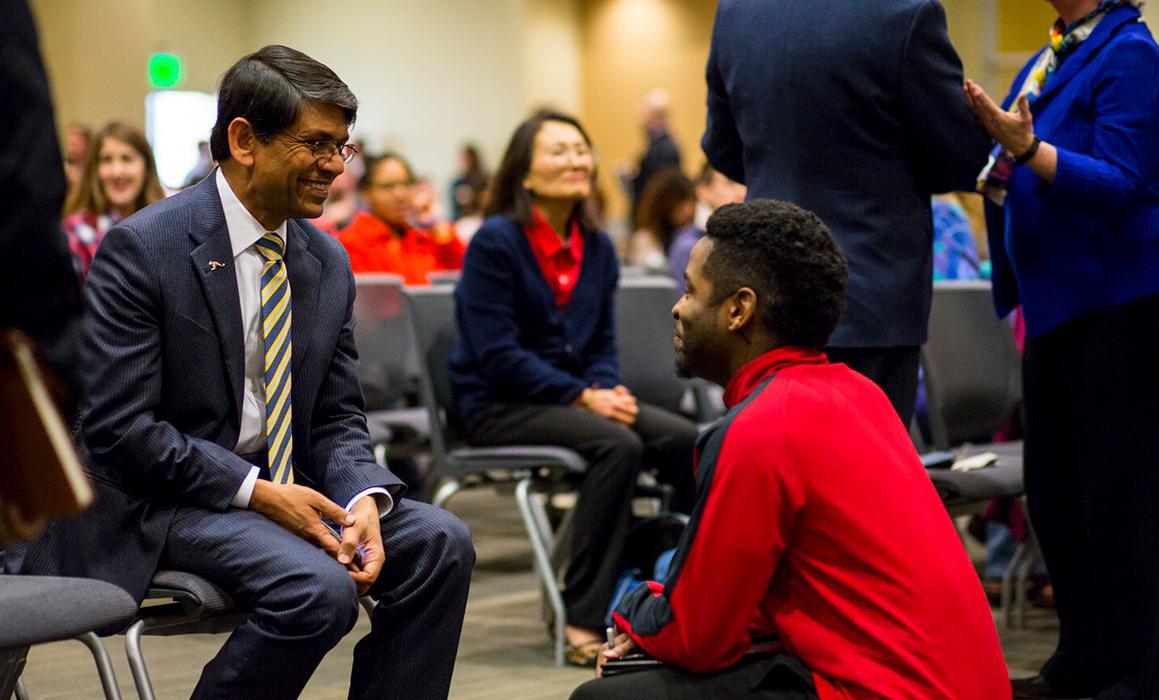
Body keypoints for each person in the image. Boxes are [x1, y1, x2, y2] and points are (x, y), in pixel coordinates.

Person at [18, 45, 474, 700]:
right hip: (168, 500)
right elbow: (122, 431)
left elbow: (337, 416)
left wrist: (362, 498)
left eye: (342, 147)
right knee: (316, 589)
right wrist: (257, 492)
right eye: (316, 144)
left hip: (292, 487)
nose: (333, 168)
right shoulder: (145, 249)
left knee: (440, 540)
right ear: (244, 140)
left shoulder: (325, 260)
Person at [572, 200, 1009, 700]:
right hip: (958, 684)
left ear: (739, 310)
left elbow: (699, 637)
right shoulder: (860, 394)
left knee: (606, 697)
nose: (678, 306)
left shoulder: (761, 427)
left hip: (884, 689)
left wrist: (633, 606)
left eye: (691, 290)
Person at [451, 110, 697, 667]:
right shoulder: (497, 242)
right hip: (496, 403)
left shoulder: (598, 246)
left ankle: (682, 592)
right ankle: (583, 618)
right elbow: (497, 355)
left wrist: (606, 389)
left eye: (580, 149)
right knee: (619, 446)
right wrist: (585, 398)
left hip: (574, 399)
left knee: (689, 440)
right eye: (558, 151)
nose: (575, 160)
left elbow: (602, 346)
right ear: (525, 172)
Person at [962, 1, 1159, 697]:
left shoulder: (1129, 51)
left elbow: (1124, 179)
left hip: (1114, 304)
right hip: (1053, 310)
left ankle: (1135, 669)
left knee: (1117, 497)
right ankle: (1082, 655)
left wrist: (1026, 151)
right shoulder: (1055, 52)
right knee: (1054, 494)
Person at [702, 0, 992, 423]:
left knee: (781, 469)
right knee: (866, 477)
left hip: (766, 292)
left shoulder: (735, 13)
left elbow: (722, 149)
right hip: (871, 292)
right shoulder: (905, 12)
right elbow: (959, 158)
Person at [339, 153, 464, 284]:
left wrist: (441, 228)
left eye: (406, 184)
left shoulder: (423, 238)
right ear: (366, 193)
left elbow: (460, 282)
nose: (400, 195)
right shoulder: (352, 243)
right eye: (388, 187)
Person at [62, 121, 165, 279]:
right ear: (95, 169)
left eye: (127, 159)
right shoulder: (74, 234)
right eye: (107, 160)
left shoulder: (166, 228)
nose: (117, 172)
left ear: (146, 167)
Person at [625, 89, 681, 222]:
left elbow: (659, 188)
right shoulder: (657, 145)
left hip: (655, 220)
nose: (640, 118)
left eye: (643, 112)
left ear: (654, 115)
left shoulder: (664, 149)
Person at [626, 167, 696, 271]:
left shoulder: (692, 237)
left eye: (691, 201)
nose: (688, 210)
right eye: (682, 202)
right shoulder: (645, 240)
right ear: (664, 203)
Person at [449, 143, 488, 221]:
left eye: (467, 159)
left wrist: (473, 196)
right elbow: (454, 209)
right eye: (462, 159)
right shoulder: (458, 183)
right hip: (462, 218)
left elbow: (486, 201)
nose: (463, 162)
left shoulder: (484, 179)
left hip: (480, 217)